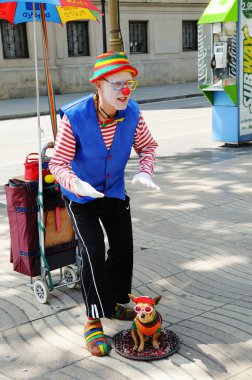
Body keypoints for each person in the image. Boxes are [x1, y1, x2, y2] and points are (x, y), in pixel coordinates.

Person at [49, 51, 159, 357]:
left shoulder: (133, 113)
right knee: (93, 250)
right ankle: (93, 318)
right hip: (81, 198)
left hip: (113, 193)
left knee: (123, 247)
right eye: (117, 84)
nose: (125, 90)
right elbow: (58, 163)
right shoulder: (75, 117)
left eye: (130, 84)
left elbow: (148, 146)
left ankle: (112, 301)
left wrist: (146, 170)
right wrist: (75, 183)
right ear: (99, 85)